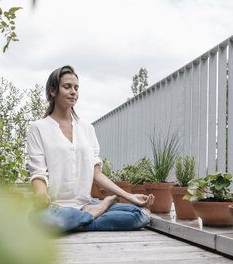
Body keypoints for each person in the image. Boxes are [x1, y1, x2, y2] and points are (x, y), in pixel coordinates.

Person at [27, 65, 154, 232]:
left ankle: (80, 220)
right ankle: (97, 212)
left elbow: (96, 173)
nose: (73, 92)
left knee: (139, 214)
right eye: (67, 87)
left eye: (76, 88)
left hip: (85, 204)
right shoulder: (38, 128)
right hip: (57, 207)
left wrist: (130, 197)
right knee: (39, 220)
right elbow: (38, 174)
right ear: (52, 91)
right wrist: (41, 195)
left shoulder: (87, 129)